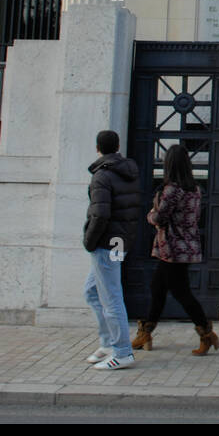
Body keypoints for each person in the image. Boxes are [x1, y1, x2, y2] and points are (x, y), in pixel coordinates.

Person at [131, 144, 219, 356]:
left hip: (172, 248)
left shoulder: (172, 190)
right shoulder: (195, 189)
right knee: (158, 288)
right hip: (187, 246)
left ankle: (206, 334)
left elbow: (160, 218)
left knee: (181, 292)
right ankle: (146, 332)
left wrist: (150, 214)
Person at [82, 129, 140, 370]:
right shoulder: (128, 171)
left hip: (106, 242)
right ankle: (108, 343)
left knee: (111, 297)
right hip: (120, 240)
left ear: (98, 148)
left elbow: (100, 213)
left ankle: (122, 351)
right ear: (117, 147)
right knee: (93, 291)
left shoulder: (102, 176)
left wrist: (89, 240)